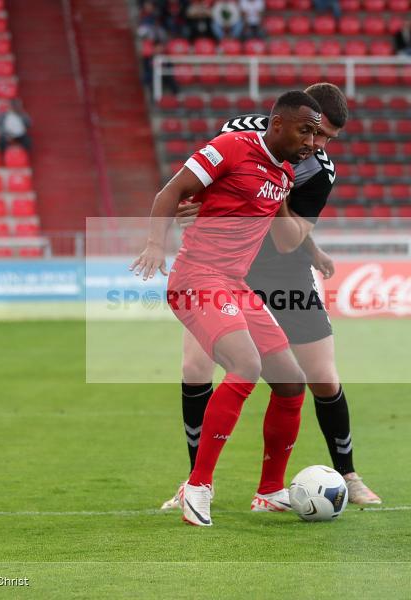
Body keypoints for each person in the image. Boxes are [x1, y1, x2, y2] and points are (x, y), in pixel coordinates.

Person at [160, 83, 382, 513]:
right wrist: (198, 201)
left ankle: (349, 475)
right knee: (194, 368)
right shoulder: (242, 131)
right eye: (316, 133)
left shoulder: (320, 171)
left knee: (319, 375)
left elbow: (291, 237)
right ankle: (195, 483)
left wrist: (308, 243)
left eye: (328, 139)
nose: (319, 145)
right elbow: (210, 172)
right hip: (221, 265)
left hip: (283, 269)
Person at [131, 91, 322, 527]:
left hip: (235, 286)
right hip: (196, 278)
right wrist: (155, 244)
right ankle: (198, 486)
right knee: (245, 364)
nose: (313, 141)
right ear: (277, 124)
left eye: (317, 133)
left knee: (291, 382)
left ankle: (270, 491)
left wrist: (313, 250)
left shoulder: (286, 174)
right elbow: (171, 190)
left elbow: (259, 219)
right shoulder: (231, 148)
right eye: (306, 130)